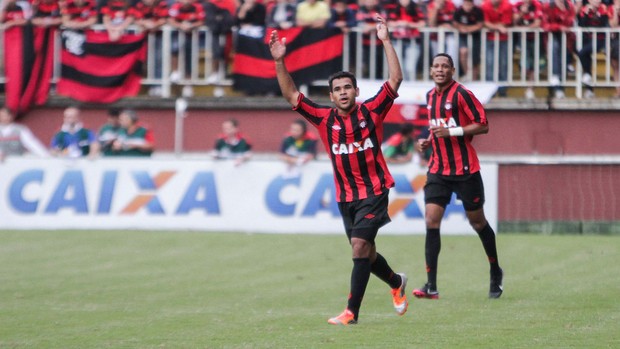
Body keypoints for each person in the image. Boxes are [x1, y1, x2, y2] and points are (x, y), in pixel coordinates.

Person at [269, 14, 408, 325]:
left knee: (359, 248)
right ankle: (396, 282)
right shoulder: (322, 118)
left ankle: (351, 313)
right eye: (338, 89)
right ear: (331, 96)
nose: (344, 92)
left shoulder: (372, 110)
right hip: (346, 198)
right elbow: (292, 95)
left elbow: (395, 80)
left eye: (348, 87)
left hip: (374, 191)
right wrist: (280, 61)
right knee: (367, 254)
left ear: (356, 92)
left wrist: (386, 41)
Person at [412, 53, 503, 300]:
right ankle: (431, 285)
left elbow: (483, 124)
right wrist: (427, 141)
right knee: (431, 220)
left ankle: (495, 271)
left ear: (452, 70)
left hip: (465, 170)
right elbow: (437, 129)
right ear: (430, 70)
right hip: (438, 170)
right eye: (436, 65)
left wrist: (452, 131)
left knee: (478, 223)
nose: (440, 69)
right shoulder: (430, 97)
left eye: (444, 66)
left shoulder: (462, 94)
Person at [576, 0, 611, 98]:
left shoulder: (603, 8)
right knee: (586, 59)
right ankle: (589, 89)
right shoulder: (585, 9)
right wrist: (587, 14)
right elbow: (581, 25)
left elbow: (605, 24)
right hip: (588, 40)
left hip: (600, 40)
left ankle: (588, 77)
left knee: (582, 53)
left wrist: (597, 13)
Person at [542, 0, 576, 99]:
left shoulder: (569, 5)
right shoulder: (548, 6)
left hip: (567, 39)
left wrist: (564, 25)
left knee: (563, 63)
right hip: (551, 37)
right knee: (555, 53)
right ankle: (557, 87)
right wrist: (559, 27)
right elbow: (545, 25)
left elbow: (570, 22)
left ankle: (559, 88)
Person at [481, 0, 513, 97]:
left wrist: (494, 26)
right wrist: (498, 27)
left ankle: (503, 90)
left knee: (504, 64)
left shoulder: (507, 5)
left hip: (504, 39)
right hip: (489, 39)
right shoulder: (485, 5)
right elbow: (485, 22)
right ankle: (490, 91)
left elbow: (506, 22)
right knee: (489, 64)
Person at [512, 0, 543, 99]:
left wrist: (525, 28)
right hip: (522, 39)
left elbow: (537, 23)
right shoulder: (518, 5)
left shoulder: (537, 4)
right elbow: (513, 22)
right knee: (526, 64)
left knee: (535, 64)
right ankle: (528, 85)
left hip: (536, 39)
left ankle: (530, 88)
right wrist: (522, 13)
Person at [452, 0, 484, 81]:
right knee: (463, 52)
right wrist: (461, 28)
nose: (467, 6)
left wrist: (468, 29)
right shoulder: (458, 11)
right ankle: (467, 74)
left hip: (475, 36)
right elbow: (455, 23)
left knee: (474, 59)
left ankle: (474, 79)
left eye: (469, 4)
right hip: (463, 36)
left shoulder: (477, 11)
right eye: (466, 4)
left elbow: (480, 25)